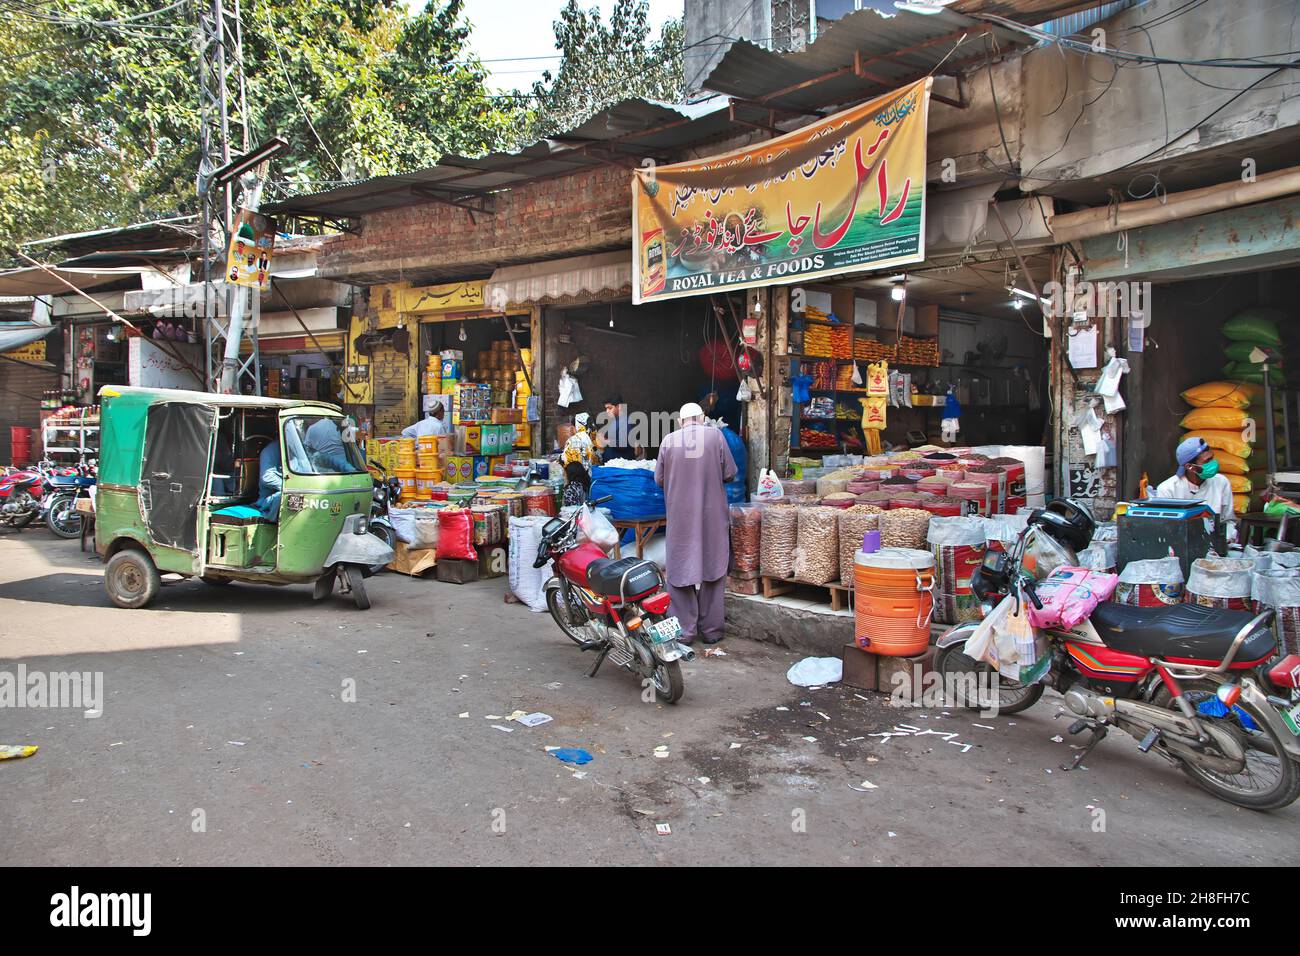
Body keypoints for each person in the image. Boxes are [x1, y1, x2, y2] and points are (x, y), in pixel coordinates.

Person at [654, 402, 738, 645]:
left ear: (681, 422)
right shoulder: (716, 436)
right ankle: (712, 631)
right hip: (712, 516)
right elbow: (730, 473)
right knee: (713, 568)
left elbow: (658, 479)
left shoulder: (669, 441)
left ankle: (685, 632)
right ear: (702, 418)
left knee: (679, 571)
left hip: (680, 517)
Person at [1150, 436, 1237, 543]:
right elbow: (1164, 528)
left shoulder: (1221, 482)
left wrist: (1226, 538)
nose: (1213, 464)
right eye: (1207, 461)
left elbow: (1228, 520)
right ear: (1190, 467)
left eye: (1212, 458)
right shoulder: (1167, 489)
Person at [257, 440, 283, 521]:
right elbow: (266, 477)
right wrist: (289, 487)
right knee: (284, 496)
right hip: (269, 499)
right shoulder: (271, 450)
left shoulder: (296, 448)